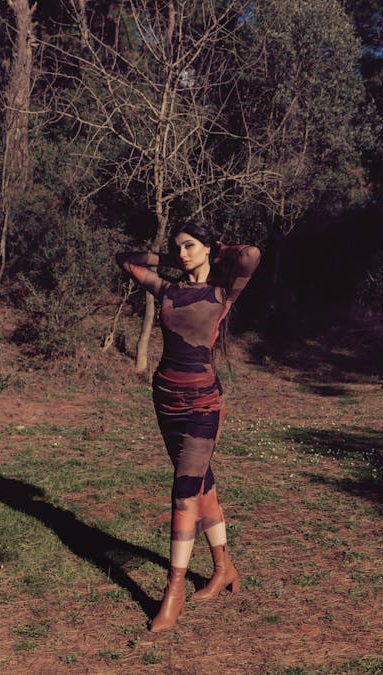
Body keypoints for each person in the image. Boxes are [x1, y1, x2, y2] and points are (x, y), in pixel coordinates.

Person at [115, 220, 261, 632]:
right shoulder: (168, 289)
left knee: (183, 494)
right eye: (177, 247)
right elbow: (123, 260)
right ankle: (223, 568)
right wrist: (171, 259)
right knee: (200, 485)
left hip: (202, 404)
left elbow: (251, 255)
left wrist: (215, 253)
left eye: (189, 246)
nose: (181, 253)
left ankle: (173, 591)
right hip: (165, 399)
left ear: (208, 249)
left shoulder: (222, 292)